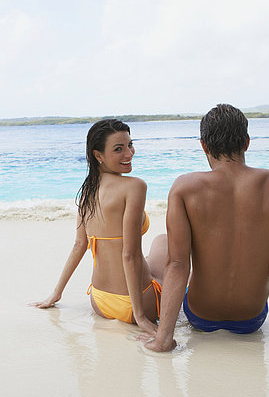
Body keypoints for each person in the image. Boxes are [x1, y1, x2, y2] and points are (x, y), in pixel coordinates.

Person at [142, 104, 269, 358]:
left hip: (200, 317)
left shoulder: (185, 187)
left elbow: (178, 265)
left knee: (162, 245)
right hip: (251, 320)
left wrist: (163, 340)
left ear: (204, 145)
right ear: (246, 142)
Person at [32, 119, 168, 334]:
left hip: (99, 302)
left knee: (151, 258)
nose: (129, 153)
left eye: (130, 145)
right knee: (164, 243)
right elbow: (129, 254)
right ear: (98, 156)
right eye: (118, 149)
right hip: (135, 305)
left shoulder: (87, 191)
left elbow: (79, 245)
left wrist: (55, 295)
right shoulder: (134, 186)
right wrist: (140, 317)